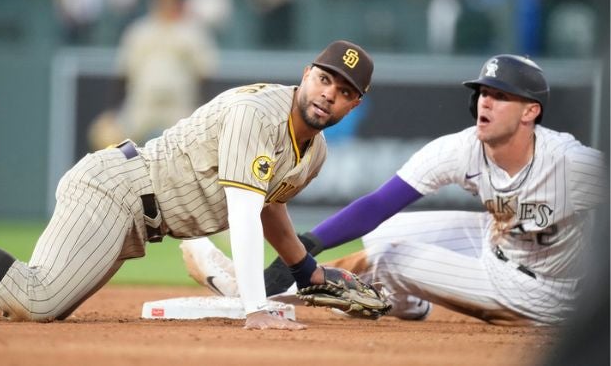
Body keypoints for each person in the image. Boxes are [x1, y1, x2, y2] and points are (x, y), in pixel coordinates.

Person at [0, 40, 374, 330]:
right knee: (37, 301)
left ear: (354, 105)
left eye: (344, 91)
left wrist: (305, 271)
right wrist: (256, 307)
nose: (329, 93)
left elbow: (270, 209)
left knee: (47, 304)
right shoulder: (257, 115)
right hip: (116, 192)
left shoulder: (314, 152)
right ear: (305, 74)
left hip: (137, 217)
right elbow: (244, 212)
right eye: (324, 78)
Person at [183, 54, 607, 326]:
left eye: (500, 96)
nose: (484, 103)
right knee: (385, 233)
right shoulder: (464, 148)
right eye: (482, 93)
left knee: (391, 258)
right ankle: (402, 303)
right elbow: (379, 205)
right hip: (501, 242)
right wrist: (304, 247)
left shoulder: (570, 164)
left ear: (531, 111)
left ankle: (256, 290)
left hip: (547, 292)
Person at [88, 0, 219, 149]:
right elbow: (123, 75)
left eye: (172, 0)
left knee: (203, 143)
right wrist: (113, 110)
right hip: (142, 104)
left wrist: (203, 112)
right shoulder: (139, 30)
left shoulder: (193, 32)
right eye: (162, 1)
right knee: (106, 135)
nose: (167, 5)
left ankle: (174, 174)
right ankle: (134, 166)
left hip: (179, 105)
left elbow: (205, 77)